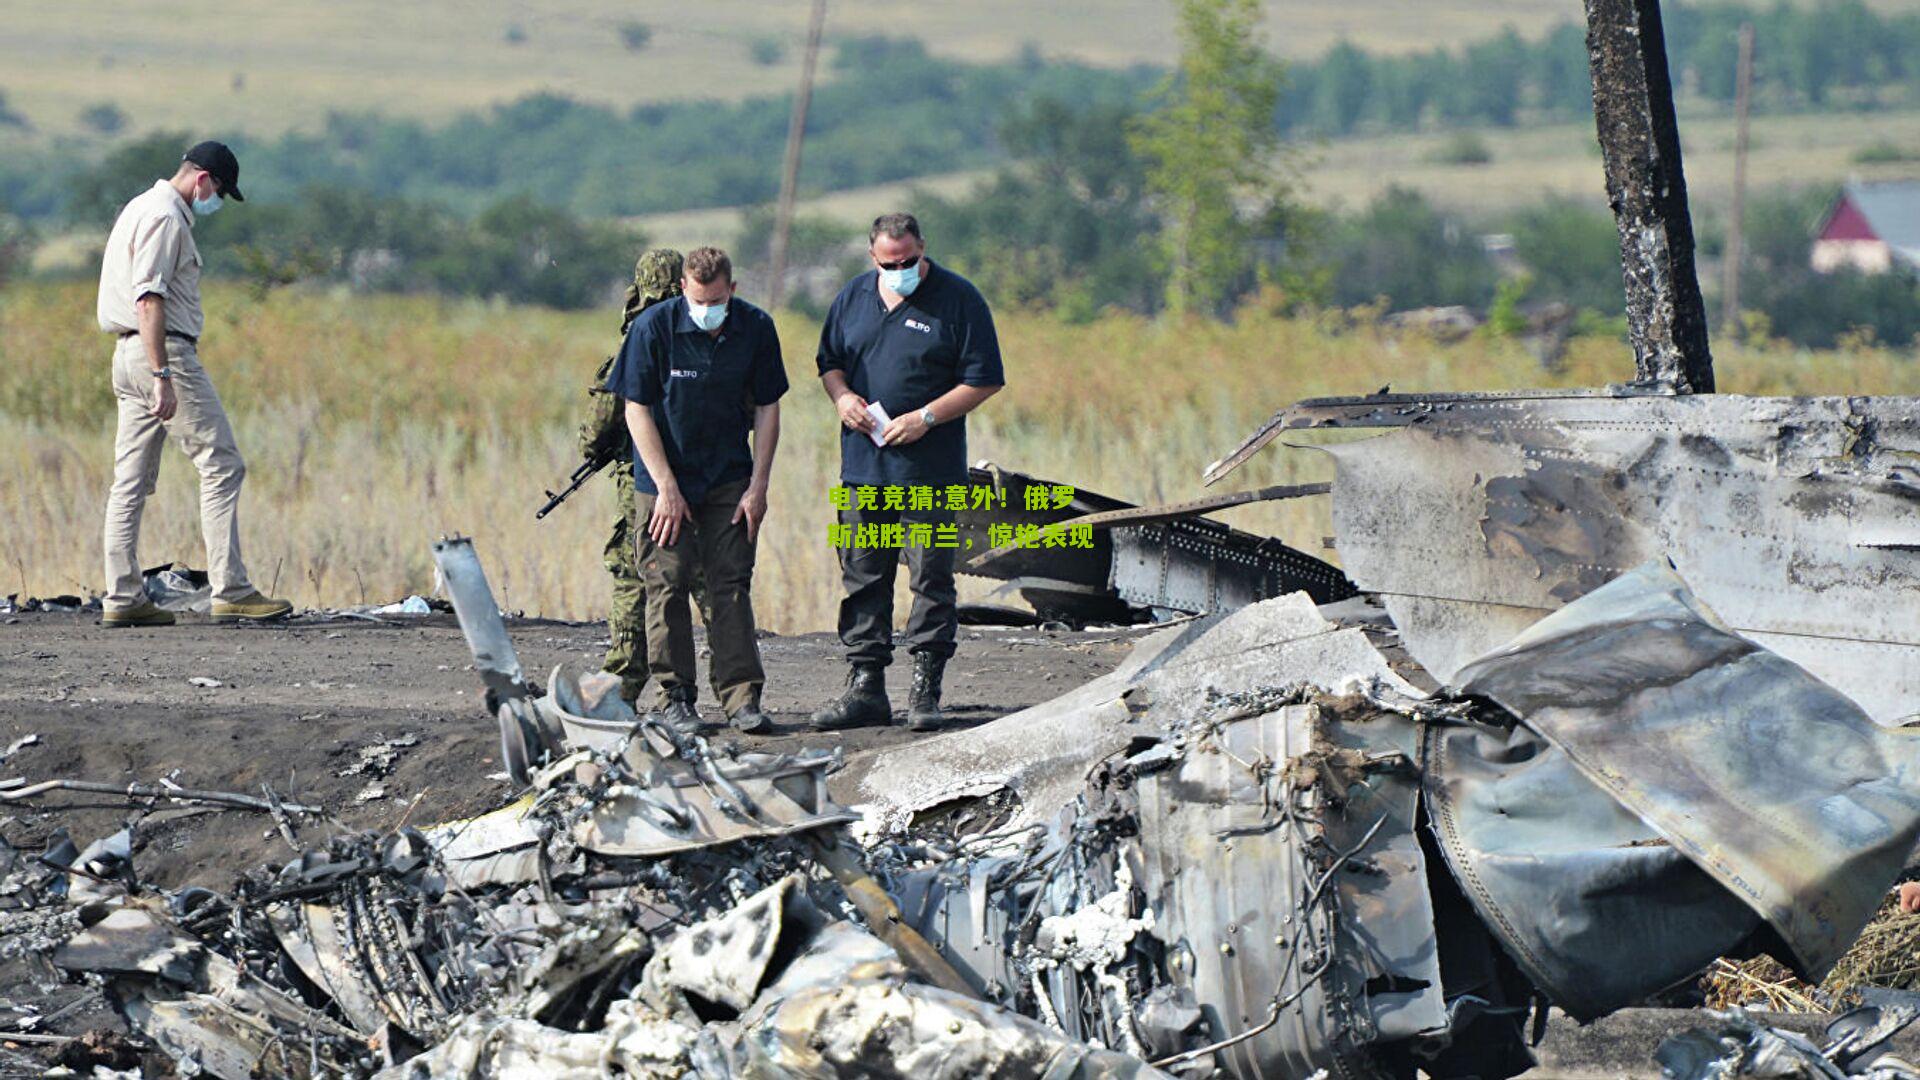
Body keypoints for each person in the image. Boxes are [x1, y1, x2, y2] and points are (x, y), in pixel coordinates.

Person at [809, 213, 1004, 732]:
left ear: (923, 248)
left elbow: (985, 380)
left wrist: (926, 418)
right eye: (888, 264)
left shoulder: (959, 299)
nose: (900, 270)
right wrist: (842, 396)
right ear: (872, 257)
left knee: (931, 575)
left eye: (909, 261)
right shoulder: (852, 298)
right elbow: (829, 362)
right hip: (863, 468)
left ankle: (925, 688)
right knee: (862, 573)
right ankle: (865, 686)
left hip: (930, 472)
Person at [95, 141, 291, 628]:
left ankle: (122, 596)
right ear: (203, 178)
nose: (216, 200)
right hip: (162, 352)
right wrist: (163, 373)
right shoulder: (166, 215)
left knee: (131, 481)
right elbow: (148, 298)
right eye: (219, 189)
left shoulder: (138, 206)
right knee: (222, 463)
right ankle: (233, 590)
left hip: (126, 354)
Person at [604, 247, 786, 735]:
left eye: (718, 300)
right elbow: (635, 409)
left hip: (729, 476)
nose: (709, 310)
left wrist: (759, 486)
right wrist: (665, 487)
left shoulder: (755, 328)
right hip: (664, 478)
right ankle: (675, 697)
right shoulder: (653, 329)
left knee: (730, 584)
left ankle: (742, 697)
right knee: (667, 583)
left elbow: (768, 408)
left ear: (733, 289)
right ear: (683, 288)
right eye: (700, 300)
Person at [579, 248, 687, 706]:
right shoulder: (704, 333)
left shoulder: (637, 339)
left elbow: (600, 426)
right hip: (707, 477)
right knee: (708, 586)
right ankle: (724, 690)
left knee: (634, 577)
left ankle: (623, 684)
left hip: (642, 484)